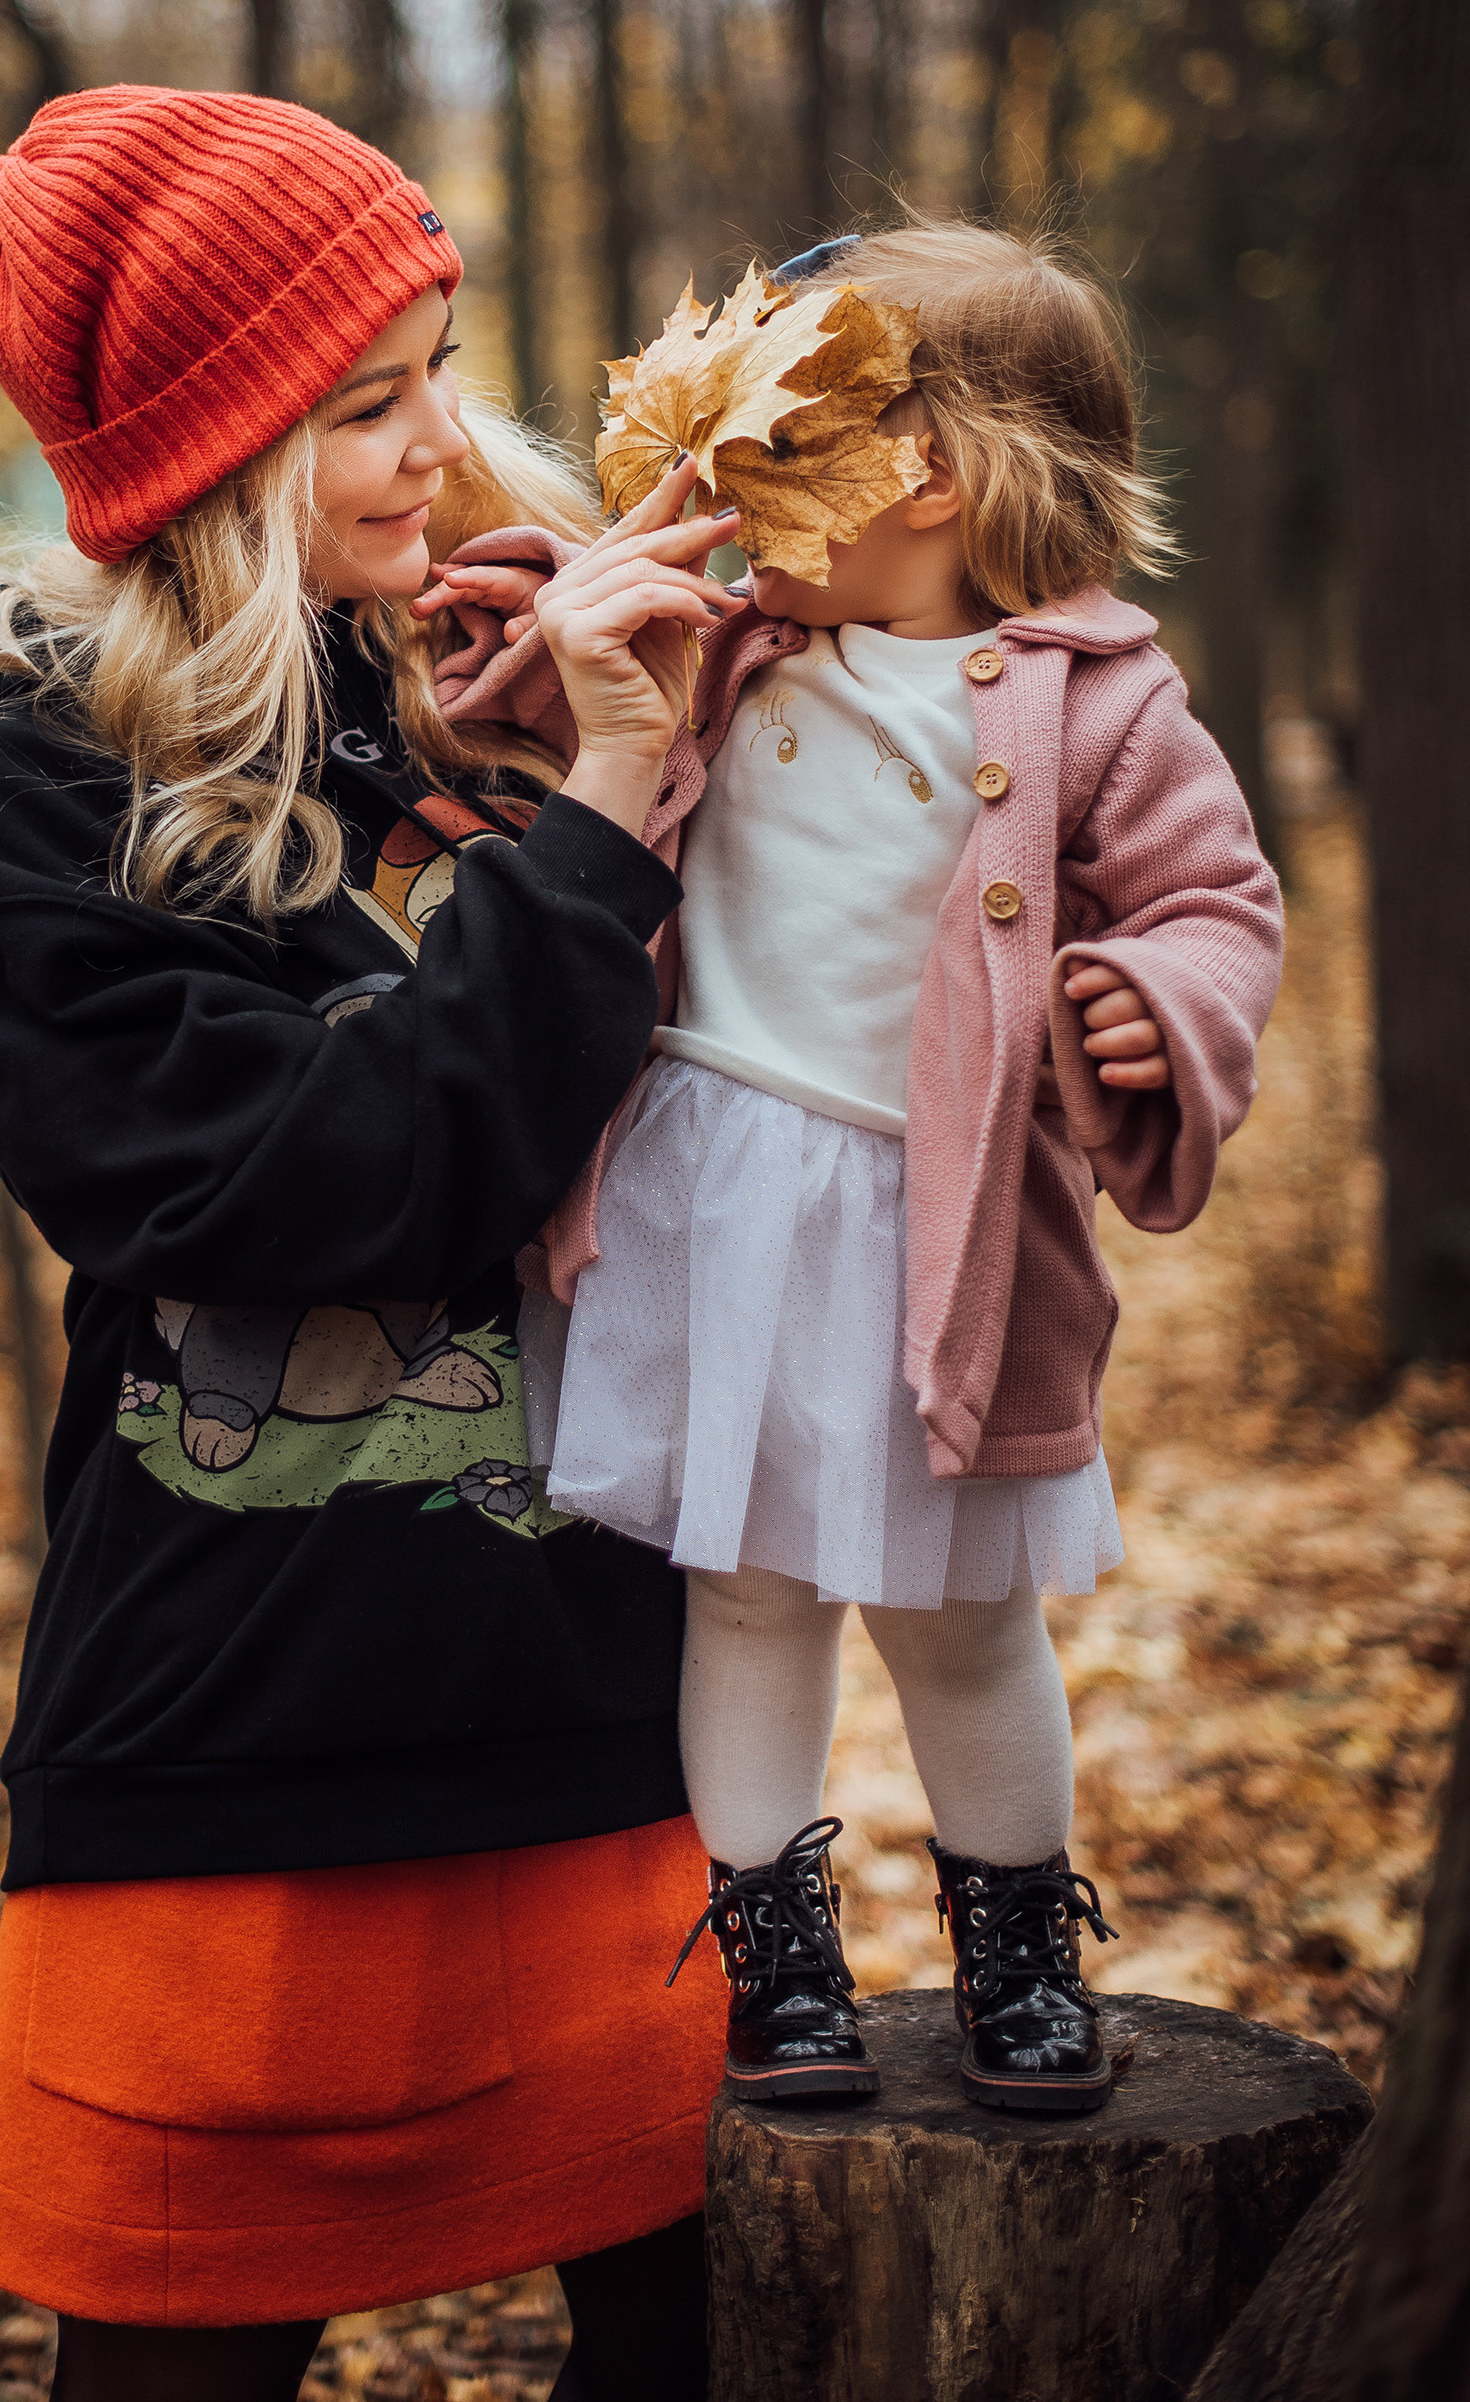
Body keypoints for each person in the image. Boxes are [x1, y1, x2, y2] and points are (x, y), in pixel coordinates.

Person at [0, 85, 744, 2402]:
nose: (438, 445)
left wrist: (580, 761)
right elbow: (302, 1177)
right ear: (206, 448)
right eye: (366, 403)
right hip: (228, 1745)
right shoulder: (26, 792)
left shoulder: (442, 693)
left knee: (704, 2335)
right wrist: (583, 827)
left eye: (442, 372)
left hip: (593, 1707)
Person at [423, 220, 1285, 2118]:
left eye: (779, 440)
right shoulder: (738, 640)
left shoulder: (1104, 704)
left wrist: (1157, 1001)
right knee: (741, 1595)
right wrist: (516, 623)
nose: (733, 487)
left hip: (937, 1226)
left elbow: (1219, 901)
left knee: (963, 1616)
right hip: (707, 1201)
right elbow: (575, 687)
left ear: (930, 475)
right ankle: (774, 1947)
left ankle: (1018, 1947)